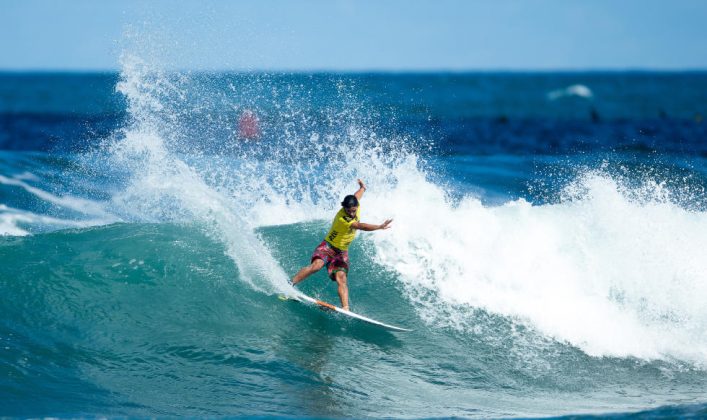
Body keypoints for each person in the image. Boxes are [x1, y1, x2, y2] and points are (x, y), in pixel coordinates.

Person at [291, 179, 392, 310]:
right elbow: (359, 226)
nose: (352, 213)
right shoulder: (343, 218)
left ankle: (345, 308)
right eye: (349, 210)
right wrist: (378, 226)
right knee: (316, 266)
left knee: (342, 278)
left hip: (341, 252)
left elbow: (357, 196)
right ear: (344, 208)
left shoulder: (356, 205)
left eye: (354, 210)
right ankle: (291, 284)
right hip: (327, 247)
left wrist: (362, 188)